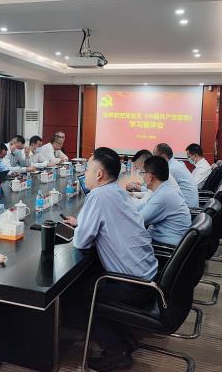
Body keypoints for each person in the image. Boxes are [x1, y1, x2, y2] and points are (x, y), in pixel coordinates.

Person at [63, 147, 157, 371]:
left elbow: (81, 242)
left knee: (77, 294)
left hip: (133, 285)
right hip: (148, 278)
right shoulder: (116, 191)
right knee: (91, 281)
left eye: (87, 169)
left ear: (99, 174)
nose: (85, 174)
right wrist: (83, 222)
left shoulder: (98, 195)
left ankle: (117, 352)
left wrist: (81, 227)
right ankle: (125, 339)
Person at [137, 156, 191, 245]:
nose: (142, 177)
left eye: (143, 173)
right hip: (164, 238)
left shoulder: (163, 196)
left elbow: (138, 220)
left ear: (150, 176)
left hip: (165, 246)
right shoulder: (164, 189)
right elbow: (144, 206)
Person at [153, 143, 198, 208]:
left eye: (155, 157)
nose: (153, 160)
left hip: (187, 208)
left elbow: (157, 189)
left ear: (163, 157)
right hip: (188, 204)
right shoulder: (176, 164)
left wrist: (140, 188)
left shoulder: (171, 169)